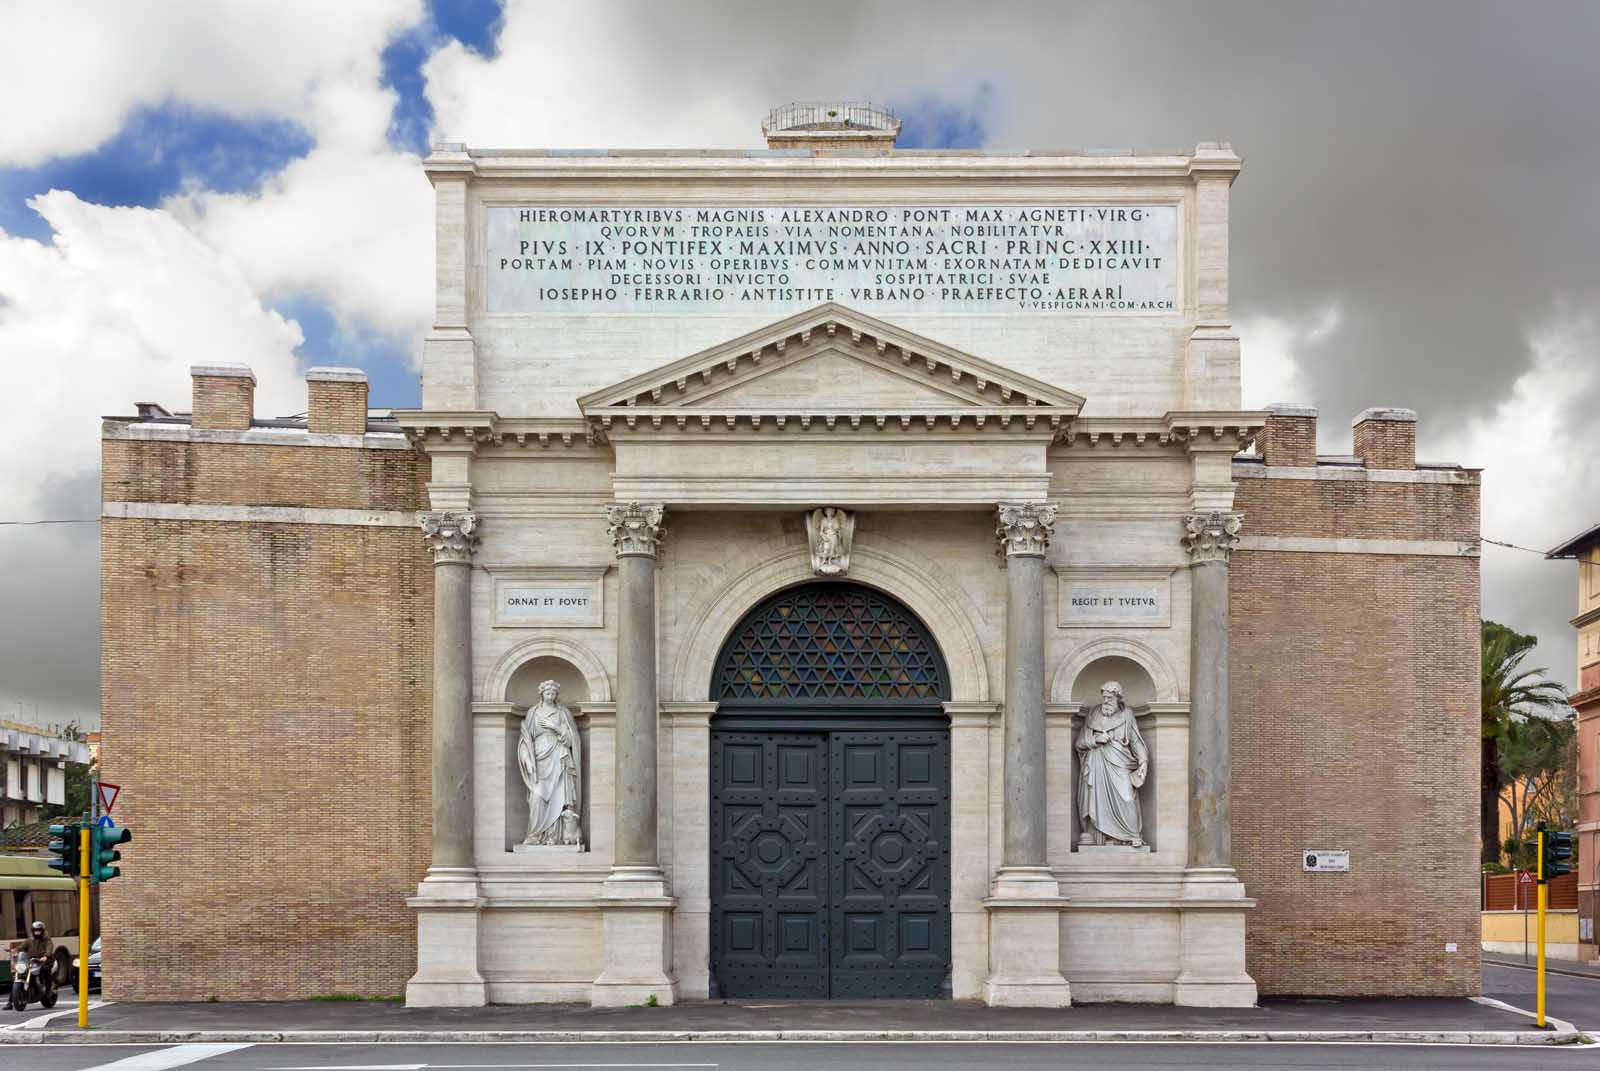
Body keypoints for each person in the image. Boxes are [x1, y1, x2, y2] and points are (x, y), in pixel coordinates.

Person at [1076, 681, 1149, 847]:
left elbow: (1136, 741)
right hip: (1097, 765)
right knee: (1097, 801)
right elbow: (1079, 742)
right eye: (1104, 698)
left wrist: (1143, 762)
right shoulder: (1093, 715)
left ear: (1118, 699)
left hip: (1120, 763)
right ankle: (1099, 837)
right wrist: (1095, 740)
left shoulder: (1127, 715)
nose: (1106, 701)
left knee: (1127, 798)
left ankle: (1131, 835)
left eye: (1110, 698)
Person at [516, 680, 583, 846]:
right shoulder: (534, 712)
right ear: (542, 694)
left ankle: (555, 837)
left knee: (559, 797)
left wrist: (556, 727)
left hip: (559, 755)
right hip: (539, 757)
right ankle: (535, 835)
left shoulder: (563, 712)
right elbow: (525, 738)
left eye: (553, 694)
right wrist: (526, 758)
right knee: (537, 796)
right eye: (547, 693)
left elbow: (572, 739)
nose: (550, 696)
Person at [5, 921, 53, 1008]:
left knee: (46, 970)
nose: (37, 932)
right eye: (35, 930)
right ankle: (9, 1003)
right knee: (18, 976)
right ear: (32, 931)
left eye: (39, 930)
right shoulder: (29, 940)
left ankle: (48, 990)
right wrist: (15, 950)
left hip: (42, 961)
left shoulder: (47, 940)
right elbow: (22, 946)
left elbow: (49, 948)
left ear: (42, 931)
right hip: (30, 961)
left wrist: (46, 956)